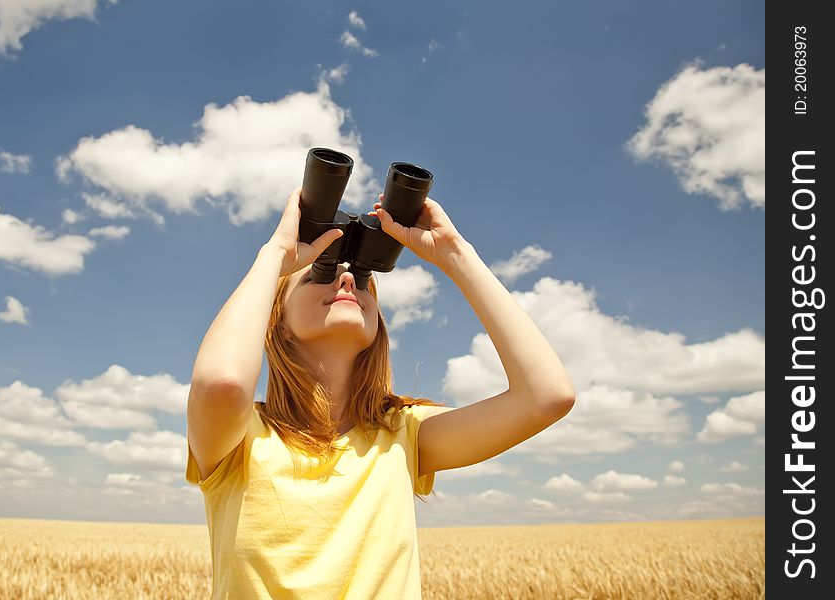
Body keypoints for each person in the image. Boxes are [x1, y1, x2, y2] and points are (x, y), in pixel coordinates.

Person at [185, 184, 576, 599]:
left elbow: (546, 396)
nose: (349, 277)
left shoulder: (402, 434)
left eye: (363, 277)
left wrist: (455, 254)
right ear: (275, 320)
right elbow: (221, 384)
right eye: (321, 271)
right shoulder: (241, 437)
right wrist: (274, 257)